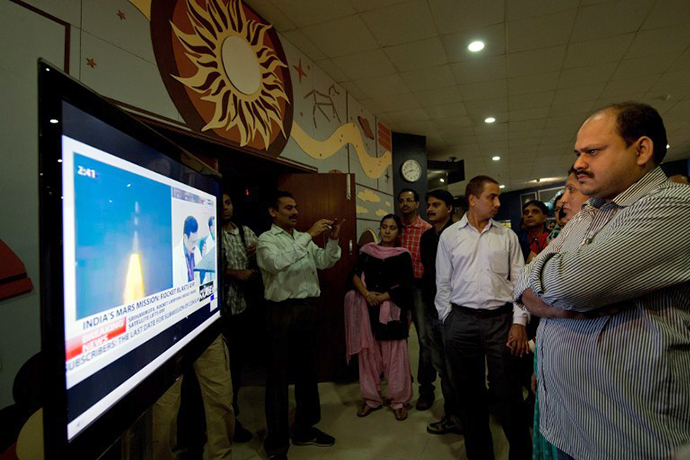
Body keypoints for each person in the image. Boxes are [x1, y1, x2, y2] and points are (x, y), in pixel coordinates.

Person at [515, 102, 690, 459]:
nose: (579, 163)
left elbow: (575, 284)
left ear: (641, 149)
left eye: (592, 151)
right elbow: (522, 283)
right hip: (568, 426)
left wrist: (543, 284)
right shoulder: (591, 211)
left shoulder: (674, 206)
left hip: (626, 440)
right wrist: (559, 306)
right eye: (579, 153)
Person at [436, 175, 531, 460]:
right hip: (461, 322)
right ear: (472, 199)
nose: (498, 203)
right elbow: (443, 283)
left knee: (509, 396)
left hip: (501, 322)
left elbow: (520, 283)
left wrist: (518, 322)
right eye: (492, 197)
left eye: (499, 197)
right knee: (470, 398)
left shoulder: (507, 236)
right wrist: (448, 320)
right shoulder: (450, 236)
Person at [257, 190, 343, 460]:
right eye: (288, 208)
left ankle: (305, 429)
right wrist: (308, 235)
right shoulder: (266, 240)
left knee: (308, 374)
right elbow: (276, 264)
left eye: (296, 207)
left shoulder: (301, 239)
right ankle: (277, 443)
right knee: (279, 379)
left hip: (308, 311)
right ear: (273, 212)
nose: (295, 212)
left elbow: (326, 261)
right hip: (282, 313)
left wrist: (333, 240)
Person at [344, 214, 413, 421]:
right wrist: (367, 295)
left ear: (398, 232)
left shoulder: (402, 255)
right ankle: (371, 399)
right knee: (369, 357)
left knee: (396, 358)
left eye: (392, 228)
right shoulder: (367, 252)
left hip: (393, 312)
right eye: (384, 227)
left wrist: (382, 297)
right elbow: (354, 275)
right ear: (380, 229)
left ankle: (398, 400)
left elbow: (406, 285)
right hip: (368, 311)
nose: (387, 231)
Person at [419, 190, 462, 435]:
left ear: (449, 208)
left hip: (453, 309)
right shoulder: (427, 237)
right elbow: (430, 272)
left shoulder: (458, 235)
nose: (430, 209)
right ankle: (452, 414)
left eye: (436, 205)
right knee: (441, 366)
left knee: (455, 366)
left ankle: (461, 417)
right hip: (431, 306)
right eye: (428, 205)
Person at [152, 335, 235, 460]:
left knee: (221, 398)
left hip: (207, 327)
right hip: (170, 332)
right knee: (164, 408)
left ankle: (222, 456)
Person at [220, 192, 258, 442]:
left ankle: (232, 422)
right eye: (220, 203)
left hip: (241, 309)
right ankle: (213, 428)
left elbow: (260, 257)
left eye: (228, 202)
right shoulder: (208, 230)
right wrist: (235, 273)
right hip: (218, 314)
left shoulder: (244, 232)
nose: (225, 208)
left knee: (236, 370)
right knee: (218, 374)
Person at [397, 188, 435, 410]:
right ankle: (400, 385)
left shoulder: (426, 229)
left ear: (417, 204)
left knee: (424, 340)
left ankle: (426, 389)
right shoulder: (395, 227)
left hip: (420, 288)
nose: (404, 204)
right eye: (401, 200)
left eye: (409, 200)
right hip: (398, 289)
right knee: (396, 339)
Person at [173, 215, 202, 287]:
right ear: (185, 237)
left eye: (196, 241)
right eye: (193, 242)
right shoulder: (175, 256)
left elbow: (201, 279)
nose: (195, 246)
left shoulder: (196, 251)